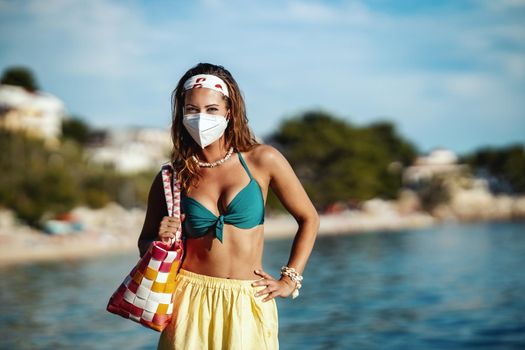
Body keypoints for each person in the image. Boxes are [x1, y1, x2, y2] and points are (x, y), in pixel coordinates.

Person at [138, 62, 319, 350]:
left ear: (229, 112)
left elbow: (309, 218)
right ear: (182, 114)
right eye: (192, 109)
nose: (201, 117)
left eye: (211, 109)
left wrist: (289, 280)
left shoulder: (263, 160)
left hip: (249, 300)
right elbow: (145, 243)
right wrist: (159, 239)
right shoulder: (173, 176)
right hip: (189, 300)